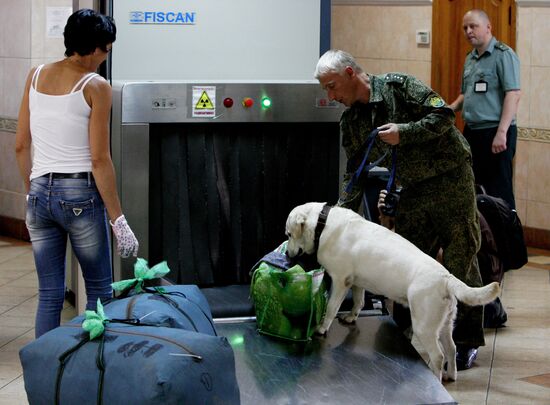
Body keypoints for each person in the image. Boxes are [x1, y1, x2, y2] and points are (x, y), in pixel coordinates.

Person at [314, 49, 484, 370]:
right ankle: (404, 333)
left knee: (462, 257)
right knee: (407, 262)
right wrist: (336, 223)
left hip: (450, 177)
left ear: (351, 73)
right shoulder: (352, 121)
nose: (330, 95)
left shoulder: (399, 87)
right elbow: (355, 174)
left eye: (332, 86)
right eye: (325, 89)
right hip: (413, 190)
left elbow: (444, 116)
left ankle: (465, 342)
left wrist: (404, 133)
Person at [14, 9, 139, 338]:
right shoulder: (96, 86)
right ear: (95, 48)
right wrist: (119, 220)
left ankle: (47, 376)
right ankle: (92, 374)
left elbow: (20, 145)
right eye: (107, 49)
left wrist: (33, 192)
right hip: (80, 195)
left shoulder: (35, 75)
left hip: (39, 194)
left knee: (50, 294)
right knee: (99, 293)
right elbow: (99, 159)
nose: (105, 57)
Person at [449, 9, 521, 209]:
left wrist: (501, 132)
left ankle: (510, 240)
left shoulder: (503, 55)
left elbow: (513, 94)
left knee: (499, 194)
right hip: (473, 132)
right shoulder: (470, 58)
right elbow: (466, 94)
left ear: (488, 27)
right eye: (465, 27)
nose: (468, 31)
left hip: (495, 133)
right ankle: (484, 239)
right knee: (474, 189)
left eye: (473, 26)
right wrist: (450, 108)